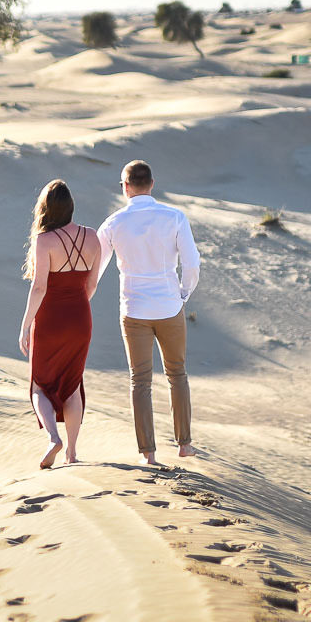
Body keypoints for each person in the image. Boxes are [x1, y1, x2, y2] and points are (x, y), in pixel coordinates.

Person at [97, 159, 200, 465]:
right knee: (177, 374)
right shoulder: (175, 216)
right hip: (169, 306)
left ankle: (148, 454)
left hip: (134, 310)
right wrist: (182, 293)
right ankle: (184, 445)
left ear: (124, 188)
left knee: (139, 380)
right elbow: (192, 263)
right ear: (152, 184)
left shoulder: (113, 223)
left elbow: (96, 268)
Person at [18, 180, 102, 469]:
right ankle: (73, 452)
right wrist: (77, 306)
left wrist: (26, 325)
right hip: (81, 317)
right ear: (71, 207)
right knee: (72, 383)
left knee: (40, 385)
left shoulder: (44, 240)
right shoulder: (92, 237)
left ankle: (54, 438)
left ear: (45, 209)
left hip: (50, 319)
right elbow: (92, 284)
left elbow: (39, 287)